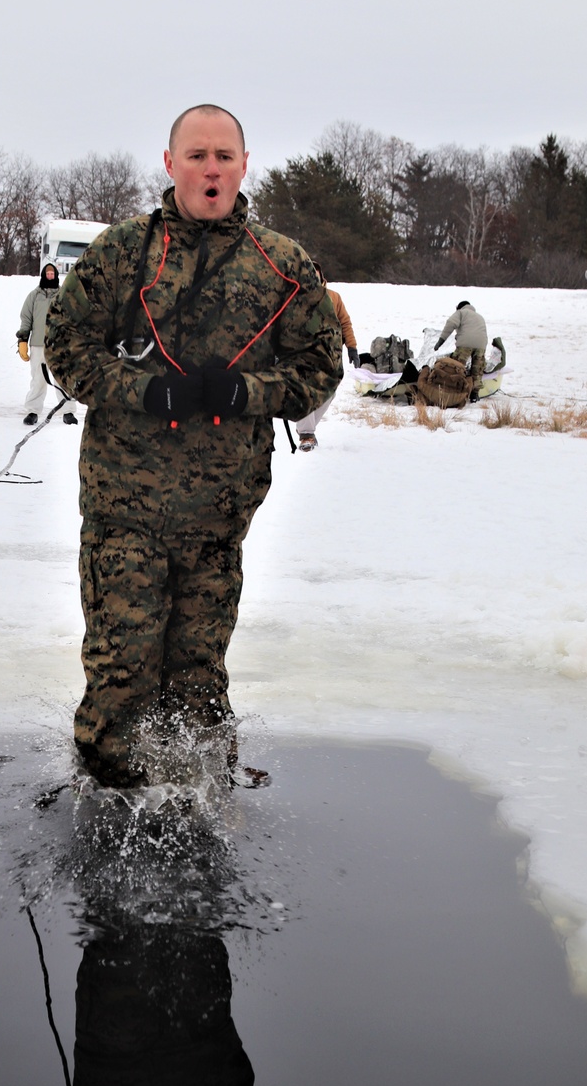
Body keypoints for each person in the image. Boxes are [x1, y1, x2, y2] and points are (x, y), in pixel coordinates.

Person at [45, 104, 342, 790]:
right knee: (123, 665)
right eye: (198, 155)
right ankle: (108, 793)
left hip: (219, 515)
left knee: (198, 674)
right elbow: (64, 347)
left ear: (243, 166)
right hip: (126, 507)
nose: (211, 168)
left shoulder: (283, 265)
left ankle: (199, 793)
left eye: (224, 156)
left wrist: (247, 392)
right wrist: (144, 391)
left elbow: (320, 370)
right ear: (171, 163)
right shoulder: (123, 252)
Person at [297, 262, 357, 451]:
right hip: (304, 353)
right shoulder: (296, 298)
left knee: (329, 391)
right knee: (305, 390)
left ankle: (307, 428)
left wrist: (352, 348)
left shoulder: (334, 297)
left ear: (321, 276)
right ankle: (306, 434)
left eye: (316, 274)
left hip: (331, 355)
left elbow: (345, 323)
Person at [16, 263, 77, 426]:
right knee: (38, 379)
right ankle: (33, 411)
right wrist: (22, 340)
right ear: (43, 275)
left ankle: (68, 411)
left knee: (62, 378)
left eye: (52, 274)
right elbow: (26, 319)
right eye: (47, 273)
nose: (50, 276)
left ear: (56, 276)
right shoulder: (34, 296)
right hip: (38, 344)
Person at [434, 299, 487, 389]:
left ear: (459, 308)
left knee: (457, 367)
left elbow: (450, 324)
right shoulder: (480, 316)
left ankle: (455, 388)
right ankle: (475, 393)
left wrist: (440, 342)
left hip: (465, 344)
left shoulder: (461, 312)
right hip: (481, 344)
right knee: (477, 370)